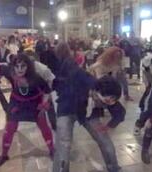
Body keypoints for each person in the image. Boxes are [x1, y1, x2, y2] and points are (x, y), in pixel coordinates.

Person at [52, 43, 122, 172]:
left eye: (108, 102)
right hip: (67, 107)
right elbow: (59, 80)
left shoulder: (107, 92)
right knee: (63, 144)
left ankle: (114, 168)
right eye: (104, 100)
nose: (107, 103)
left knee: (103, 139)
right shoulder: (79, 75)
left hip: (87, 111)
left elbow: (120, 112)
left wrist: (109, 126)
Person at [0, 54, 54, 167]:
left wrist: (44, 104)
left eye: (23, 66)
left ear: (28, 67)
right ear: (13, 67)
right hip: (17, 102)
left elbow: (47, 90)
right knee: (9, 127)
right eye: (17, 66)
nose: (20, 69)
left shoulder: (35, 78)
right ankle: (4, 154)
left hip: (34, 103)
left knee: (44, 126)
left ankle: (52, 150)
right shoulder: (9, 72)